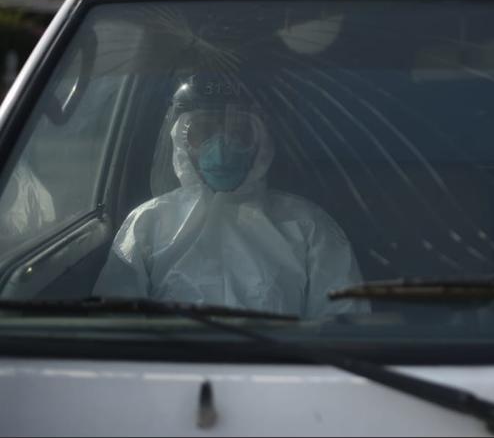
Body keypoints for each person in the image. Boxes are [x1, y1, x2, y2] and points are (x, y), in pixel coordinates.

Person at [94, 74, 364, 318]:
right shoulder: (148, 223)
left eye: (239, 131)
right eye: (204, 132)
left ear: (262, 139)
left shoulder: (309, 227)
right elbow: (114, 323)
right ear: (181, 140)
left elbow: (343, 327)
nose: (222, 146)